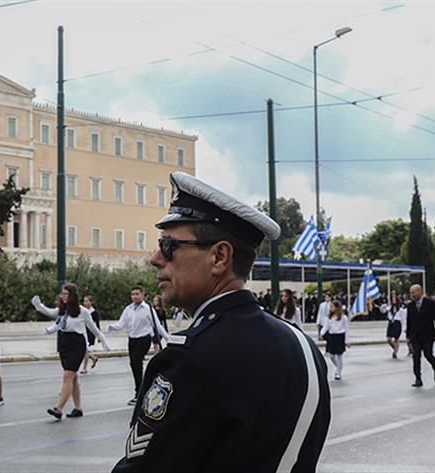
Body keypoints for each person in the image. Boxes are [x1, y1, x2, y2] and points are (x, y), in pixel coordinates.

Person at [111, 172, 329, 472]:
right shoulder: (302, 345)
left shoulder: (190, 358)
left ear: (219, 257)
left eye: (169, 245)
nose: (155, 258)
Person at [32, 283, 110, 420]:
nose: (63, 296)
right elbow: (50, 313)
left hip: (77, 344)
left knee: (67, 376)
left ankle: (59, 408)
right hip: (64, 343)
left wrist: (102, 339)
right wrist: (39, 306)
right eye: (62, 294)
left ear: (72, 295)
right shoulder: (62, 309)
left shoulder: (82, 311)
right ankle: (78, 408)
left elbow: (93, 327)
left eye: (66, 294)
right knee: (73, 378)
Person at [107, 286, 167, 405]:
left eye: (137, 294)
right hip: (132, 340)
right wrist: (112, 327)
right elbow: (121, 323)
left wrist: (168, 338)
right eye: (133, 294)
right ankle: (142, 391)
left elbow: (157, 325)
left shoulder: (148, 309)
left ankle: (139, 393)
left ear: (143, 295)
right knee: (134, 365)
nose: (134, 296)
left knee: (136, 362)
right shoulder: (128, 309)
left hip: (143, 339)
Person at [406, 284, 435, 387]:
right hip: (415, 336)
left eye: (413, 292)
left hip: (427, 334)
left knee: (428, 354)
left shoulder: (430, 303)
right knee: (416, 357)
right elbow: (409, 321)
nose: (411, 295)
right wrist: (408, 335)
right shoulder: (410, 306)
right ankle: (418, 378)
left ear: (419, 292)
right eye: (410, 293)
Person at [320, 300, 349, 380]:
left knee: (339, 355)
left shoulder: (343, 318)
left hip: (340, 336)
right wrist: (322, 333)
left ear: (337, 308)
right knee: (331, 355)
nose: (330, 308)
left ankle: (338, 372)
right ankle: (338, 367)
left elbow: (347, 329)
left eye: (332, 307)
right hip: (332, 336)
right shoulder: (329, 317)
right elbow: (326, 326)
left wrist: (347, 340)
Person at [80, 295, 102, 374]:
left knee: (85, 350)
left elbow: (97, 324)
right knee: (82, 349)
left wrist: (99, 336)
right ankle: (93, 358)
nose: (85, 303)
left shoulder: (94, 312)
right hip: (83, 332)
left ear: (91, 302)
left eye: (87, 301)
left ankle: (84, 368)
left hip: (90, 333)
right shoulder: (82, 311)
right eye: (84, 301)